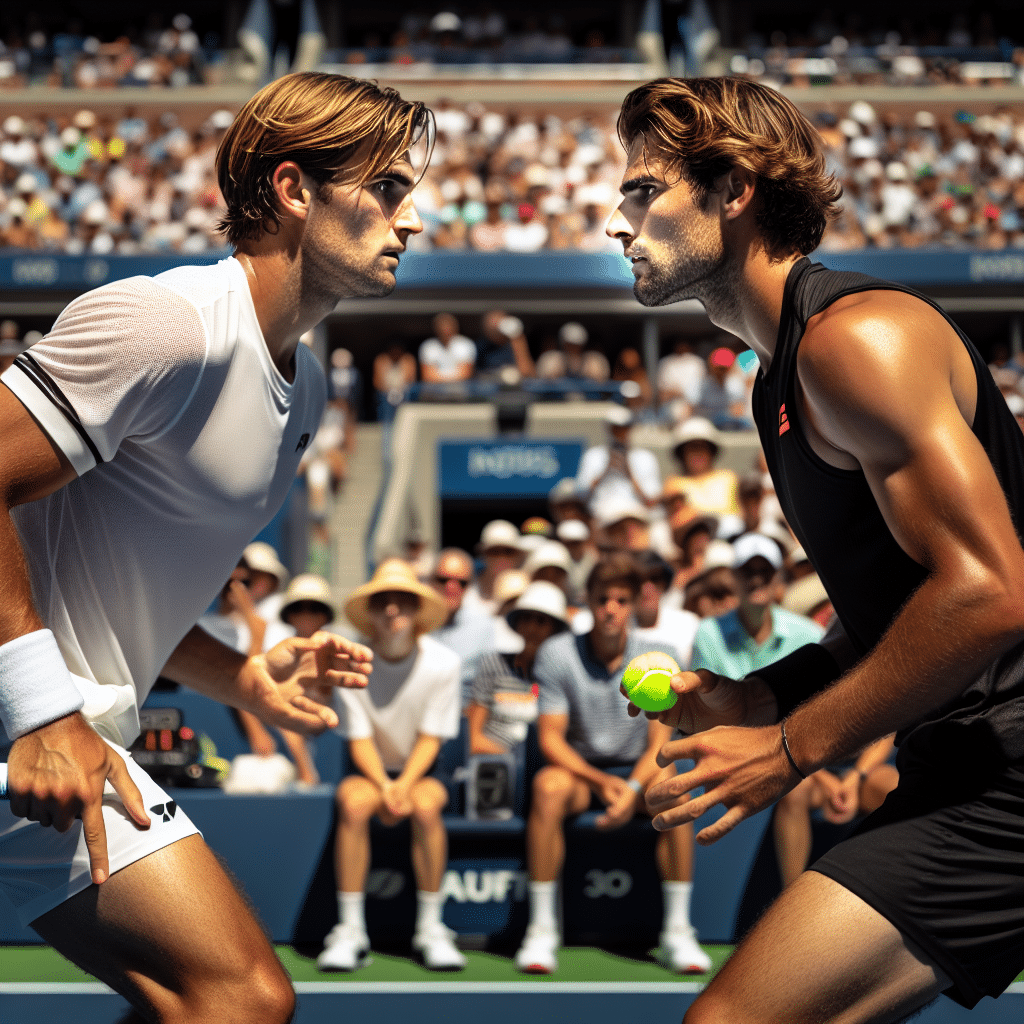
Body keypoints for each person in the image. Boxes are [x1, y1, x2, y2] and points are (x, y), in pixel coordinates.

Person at [0, 71, 433, 1023]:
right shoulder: (169, 327)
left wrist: (240, 679)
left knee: (206, 997)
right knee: (237, 995)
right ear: (293, 191)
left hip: (62, 732)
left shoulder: (307, 390)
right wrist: (39, 711)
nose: (411, 217)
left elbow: (105, 585)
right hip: (29, 727)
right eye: (388, 189)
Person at [608, 76, 1024, 1020]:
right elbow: (901, 609)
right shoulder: (780, 379)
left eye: (643, 191)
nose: (616, 221)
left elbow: (992, 592)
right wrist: (762, 696)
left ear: (732, 189)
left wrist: (790, 748)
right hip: (974, 759)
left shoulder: (854, 341)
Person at [515, 553, 711, 976]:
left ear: (634, 604)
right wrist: (603, 783)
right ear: (588, 601)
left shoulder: (660, 654)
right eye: (603, 599)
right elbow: (550, 738)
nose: (611, 609)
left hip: (640, 772)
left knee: (674, 783)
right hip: (582, 775)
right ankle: (542, 928)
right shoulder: (557, 653)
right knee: (547, 787)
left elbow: (660, 743)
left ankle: (678, 930)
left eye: (621, 600)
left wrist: (632, 791)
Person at [320, 559, 465, 972]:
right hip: (371, 774)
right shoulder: (350, 662)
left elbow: (431, 738)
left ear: (417, 610)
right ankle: (350, 930)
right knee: (353, 804)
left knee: (425, 806)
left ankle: (431, 928)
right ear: (371, 610)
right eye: (383, 601)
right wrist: (386, 786)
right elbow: (360, 738)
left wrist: (403, 787)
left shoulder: (445, 664)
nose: (392, 610)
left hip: (423, 774)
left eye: (403, 601)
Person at [467, 580, 569, 756]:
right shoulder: (494, 664)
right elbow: (472, 737)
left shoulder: (564, 675)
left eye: (541, 621)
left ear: (555, 629)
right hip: (495, 766)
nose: (531, 628)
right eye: (526, 618)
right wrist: (511, 759)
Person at [576, 405, 661, 516]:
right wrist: (605, 470)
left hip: (635, 516)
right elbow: (579, 498)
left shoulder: (645, 457)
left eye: (625, 428)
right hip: (601, 515)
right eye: (616, 428)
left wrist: (629, 472)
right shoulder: (593, 455)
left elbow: (652, 502)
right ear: (609, 429)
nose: (620, 433)